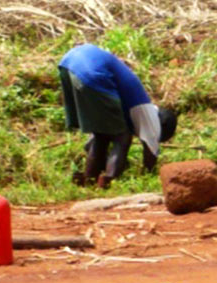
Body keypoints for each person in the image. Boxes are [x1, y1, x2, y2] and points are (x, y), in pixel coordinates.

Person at [58, 43, 177, 188]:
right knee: (123, 137)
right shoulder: (149, 114)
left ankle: (89, 180)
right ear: (161, 125)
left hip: (71, 62)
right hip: (92, 71)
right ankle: (109, 180)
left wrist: (108, 161)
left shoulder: (132, 108)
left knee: (102, 135)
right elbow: (150, 153)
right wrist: (148, 175)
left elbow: (91, 143)